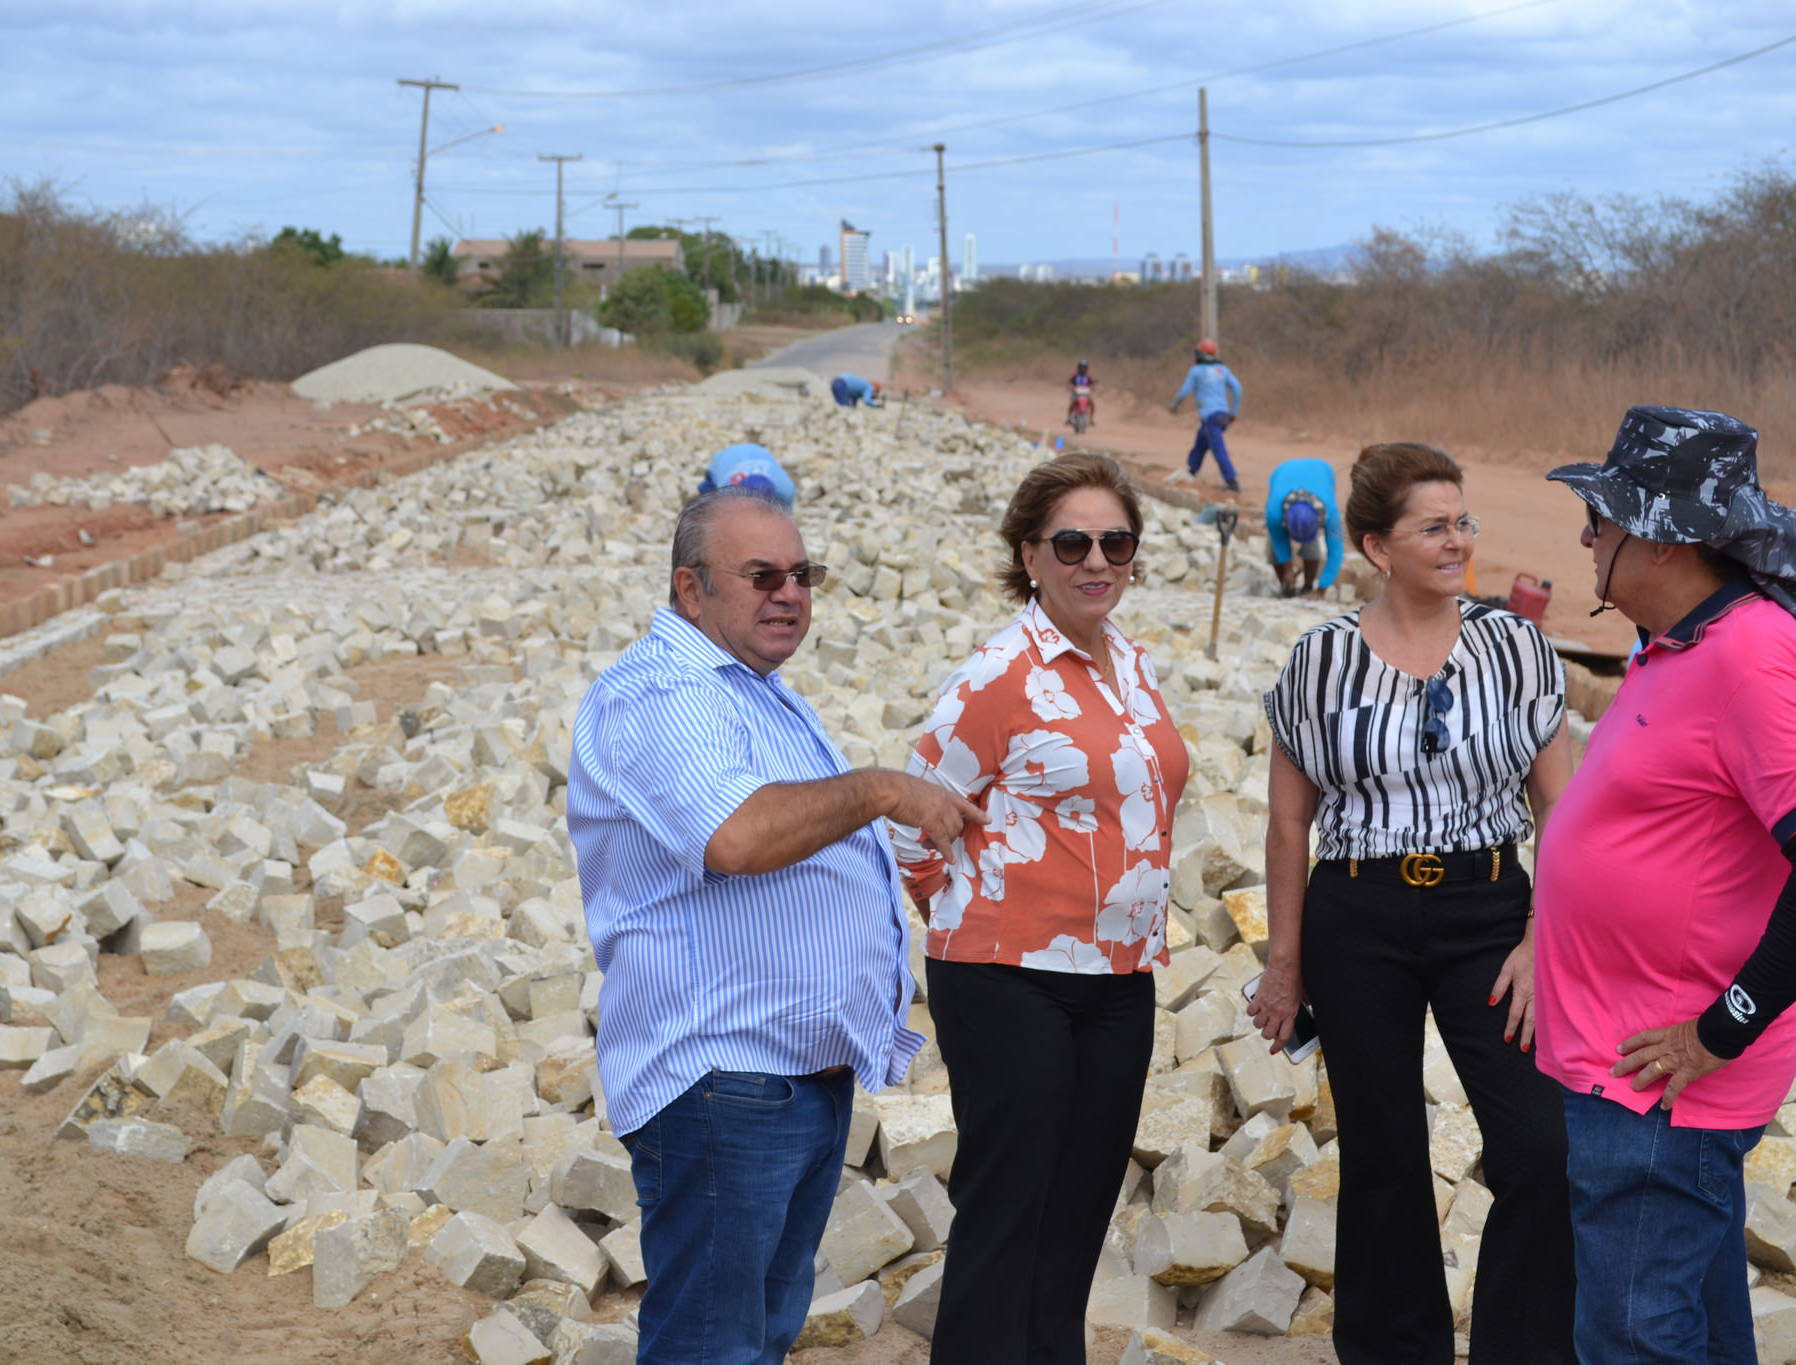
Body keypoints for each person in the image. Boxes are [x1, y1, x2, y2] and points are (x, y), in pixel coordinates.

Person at [566, 485, 982, 1365]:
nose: (789, 592)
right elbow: (739, 834)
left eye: (803, 574)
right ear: (691, 589)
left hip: (791, 1082)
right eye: (761, 575)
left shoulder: (755, 689)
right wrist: (880, 789)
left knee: (756, 1339)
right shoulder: (663, 692)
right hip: (724, 1083)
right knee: (710, 1347)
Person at [1249, 441, 1576, 1365]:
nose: (1457, 541)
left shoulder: (1516, 647)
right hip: (1360, 917)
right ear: (1375, 546)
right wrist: (1286, 962)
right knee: (1385, 1156)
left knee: (1542, 1151)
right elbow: (1286, 821)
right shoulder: (1318, 662)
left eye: (1463, 521)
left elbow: (1559, 803)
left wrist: (1542, 935)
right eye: (1433, 527)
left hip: (1490, 913)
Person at [892, 450, 1189, 1365]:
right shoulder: (998, 674)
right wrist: (977, 912)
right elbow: (914, 820)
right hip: (1005, 976)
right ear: (1029, 554)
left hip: (1119, 978)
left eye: (1116, 542)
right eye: (1072, 542)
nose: (1097, 560)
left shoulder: (1130, 666)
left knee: (1077, 1215)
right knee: (1008, 1210)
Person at [1531, 405, 1796, 1365]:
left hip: (1659, 1078)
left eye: (1602, 515)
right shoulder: (1675, 640)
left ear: (1661, 536)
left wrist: (1719, 1028)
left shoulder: (1755, 657)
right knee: (1701, 1327)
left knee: (1636, 1338)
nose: (1587, 532)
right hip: (1629, 1061)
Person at [1168, 337, 1243, 494]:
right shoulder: (1223, 370)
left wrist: (1174, 405)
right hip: (1222, 415)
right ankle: (1192, 472)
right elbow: (1237, 389)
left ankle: (1232, 482)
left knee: (1218, 449)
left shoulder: (1196, 371)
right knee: (1201, 441)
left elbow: (1183, 391)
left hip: (1210, 416)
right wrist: (1233, 413)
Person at [1264, 457, 1344, 599]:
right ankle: (1287, 585)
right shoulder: (1274, 512)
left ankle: (1308, 587)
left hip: (1321, 472)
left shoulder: (1330, 513)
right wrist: (1287, 569)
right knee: (1273, 543)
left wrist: (1322, 589)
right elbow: (1278, 538)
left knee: (1310, 543)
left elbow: (1336, 552)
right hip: (1282, 473)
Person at [699, 442, 796, 511]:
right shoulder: (726, 492)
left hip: (759, 453)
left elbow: (786, 518)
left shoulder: (786, 490)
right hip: (727, 458)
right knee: (708, 505)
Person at [1065, 358, 1096, 426]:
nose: (1082, 369)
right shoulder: (1074, 376)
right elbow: (1069, 383)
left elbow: (1092, 383)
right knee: (1072, 403)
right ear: (1078, 367)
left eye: (1084, 367)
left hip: (1086, 394)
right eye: (1081, 367)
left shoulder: (1088, 377)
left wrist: (1093, 387)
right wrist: (1070, 387)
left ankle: (1091, 419)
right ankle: (1069, 418)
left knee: (1092, 403)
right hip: (1076, 394)